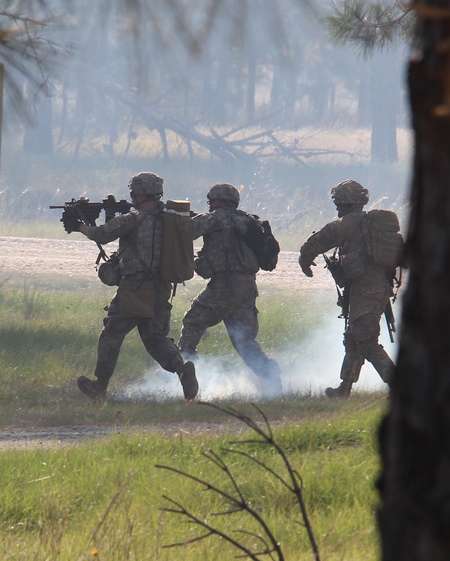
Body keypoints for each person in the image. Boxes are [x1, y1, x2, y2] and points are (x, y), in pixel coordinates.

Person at [69, 172, 198, 402]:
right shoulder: (169, 220)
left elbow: (101, 234)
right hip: (161, 288)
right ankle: (181, 369)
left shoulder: (132, 219)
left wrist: (79, 225)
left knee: (112, 334)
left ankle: (99, 386)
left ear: (138, 194)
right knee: (155, 338)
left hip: (134, 289)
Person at [178, 183, 283, 395]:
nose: (209, 205)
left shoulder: (215, 218)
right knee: (243, 340)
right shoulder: (248, 220)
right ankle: (270, 376)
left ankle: (182, 368)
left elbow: (187, 231)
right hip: (248, 286)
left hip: (225, 285)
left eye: (211, 201)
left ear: (217, 201)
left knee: (193, 321)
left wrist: (173, 219)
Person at [298, 180, 398, 398]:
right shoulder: (370, 223)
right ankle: (344, 389)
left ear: (343, 201)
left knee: (366, 341)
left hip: (365, 289)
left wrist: (305, 260)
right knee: (353, 338)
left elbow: (316, 242)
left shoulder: (347, 223)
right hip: (378, 287)